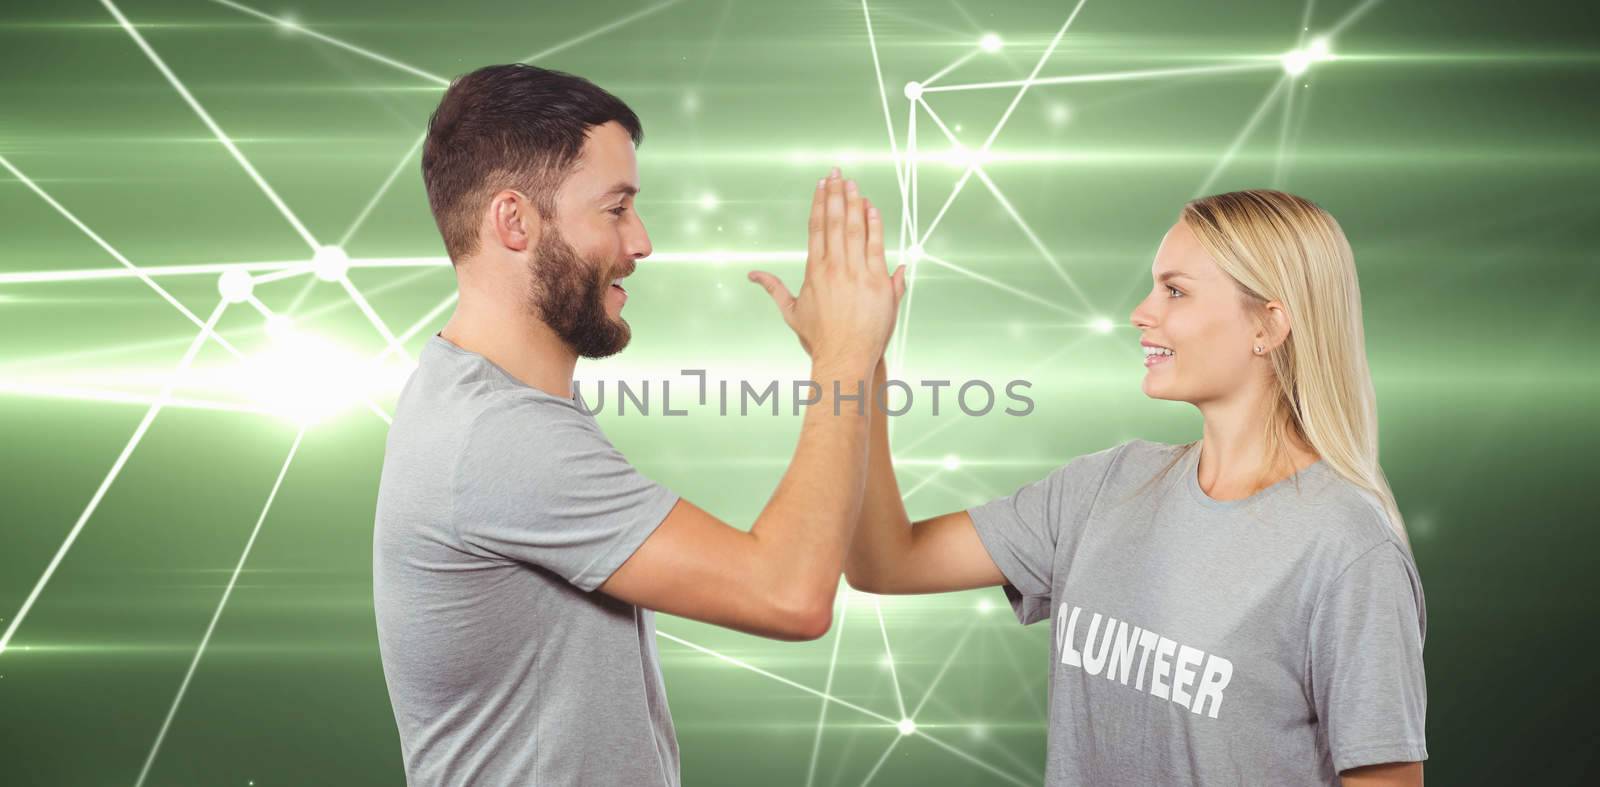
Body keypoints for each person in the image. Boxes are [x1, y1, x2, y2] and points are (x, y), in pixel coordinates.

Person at [372, 63, 903, 786]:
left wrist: (852, 356)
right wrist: (845, 351)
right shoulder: (498, 438)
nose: (642, 241)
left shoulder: (479, 397)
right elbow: (789, 593)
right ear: (515, 220)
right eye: (616, 208)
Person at [808, 190, 1427, 785]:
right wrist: (856, 361)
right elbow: (883, 562)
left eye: (1175, 291)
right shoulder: (1106, 487)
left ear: (1267, 324)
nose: (1142, 312)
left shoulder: (1348, 549)